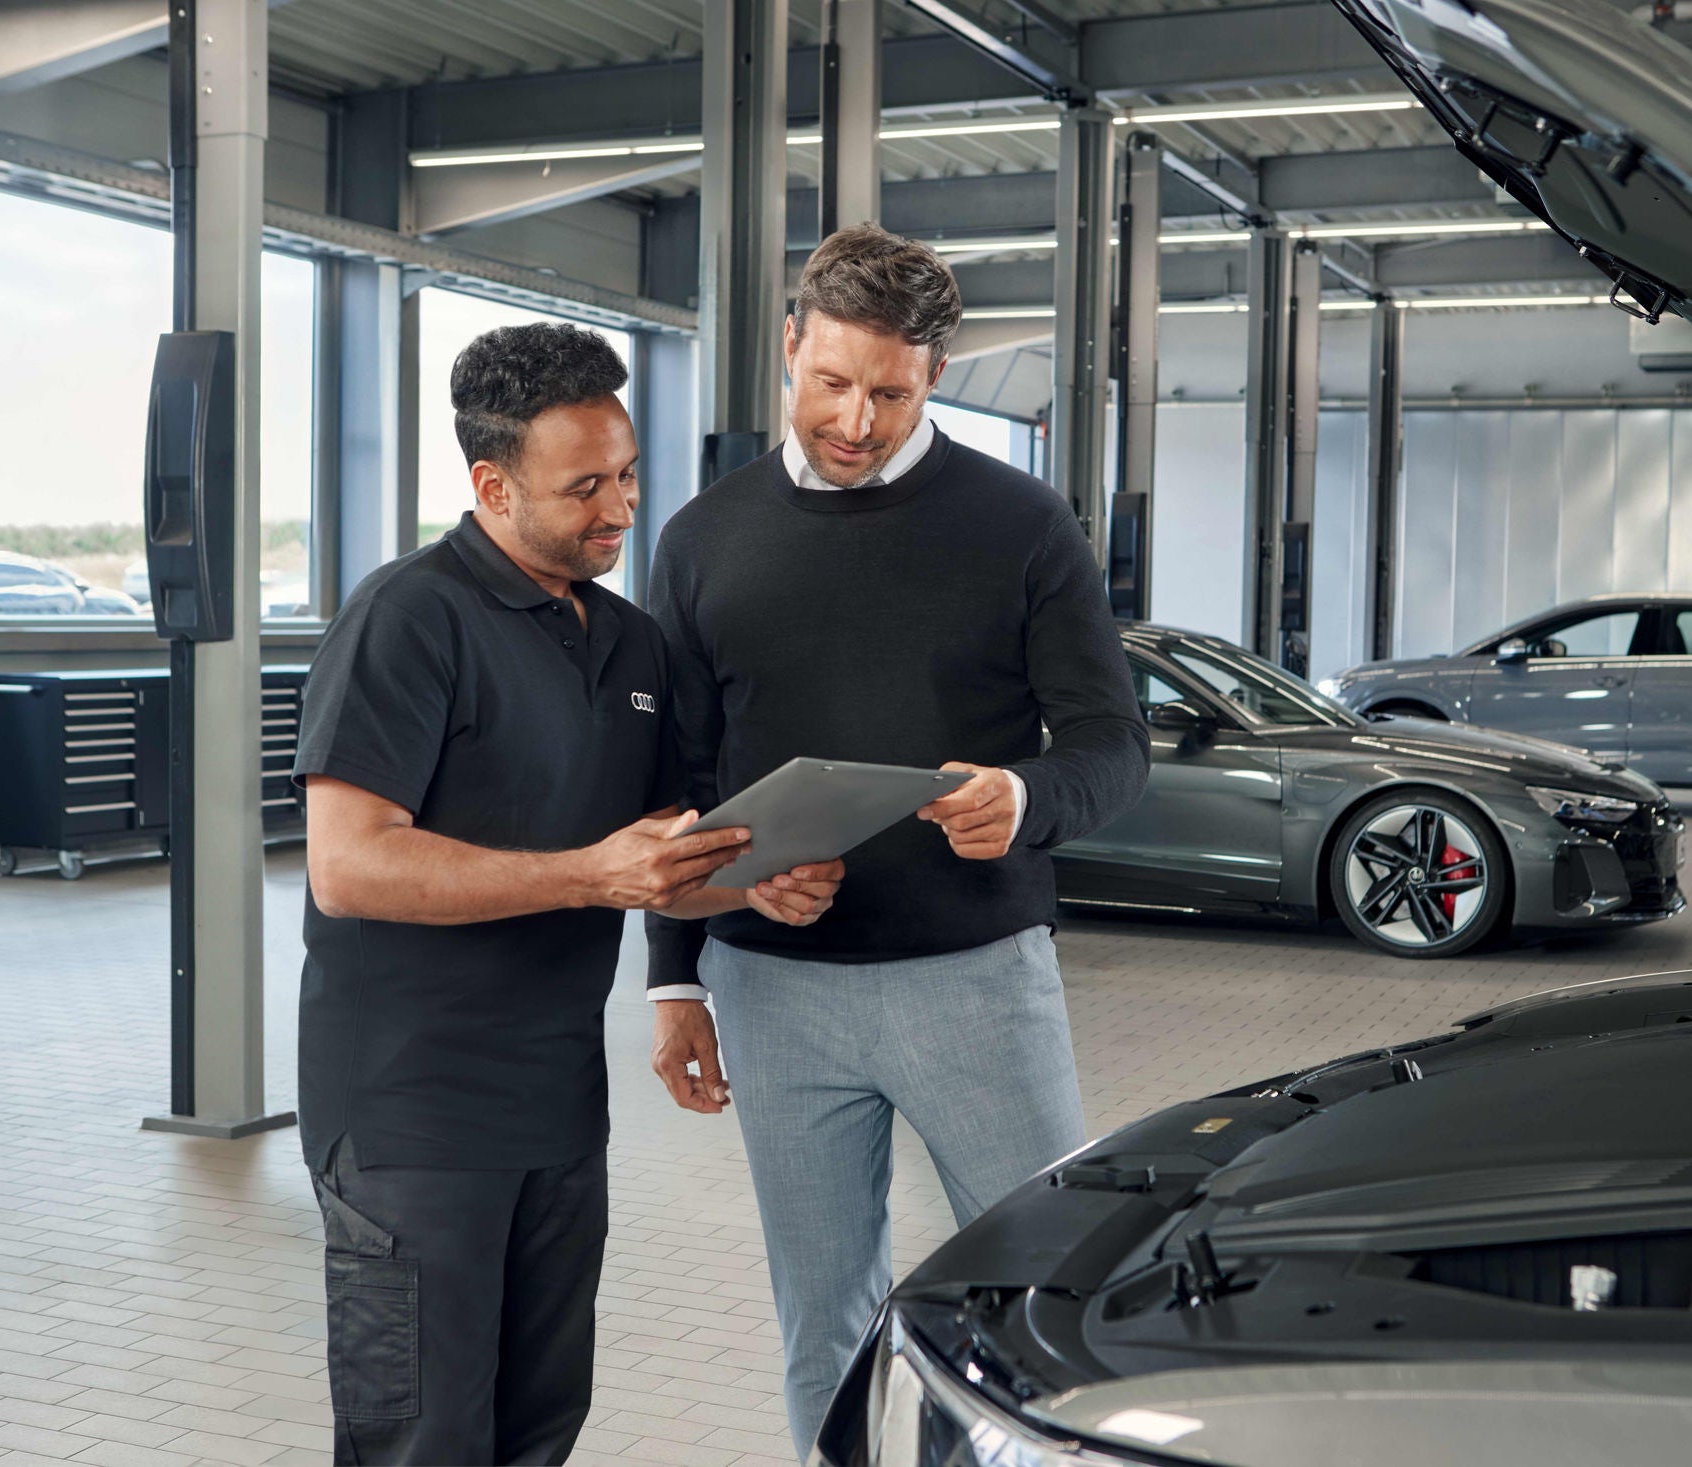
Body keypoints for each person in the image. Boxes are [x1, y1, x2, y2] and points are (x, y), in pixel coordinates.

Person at [293, 321, 844, 1466]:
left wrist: (752, 887)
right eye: (584, 486)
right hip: (412, 1119)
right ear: (492, 486)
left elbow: (657, 866)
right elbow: (347, 866)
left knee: (540, 1425)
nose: (622, 507)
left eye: (630, 472)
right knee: (424, 1439)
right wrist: (591, 874)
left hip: (555, 1113)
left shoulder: (630, 644)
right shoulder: (406, 620)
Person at [644, 223, 1151, 1453]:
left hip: (975, 985)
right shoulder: (701, 540)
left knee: (1049, 1296)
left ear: (935, 376)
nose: (856, 420)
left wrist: (1024, 800)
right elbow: (678, 783)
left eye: (890, 391)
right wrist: (674, 979)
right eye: (831, 383)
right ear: (788, 348)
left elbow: (1108, 747)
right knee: (824, 1321)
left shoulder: (1023, 526)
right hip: (774, 993)